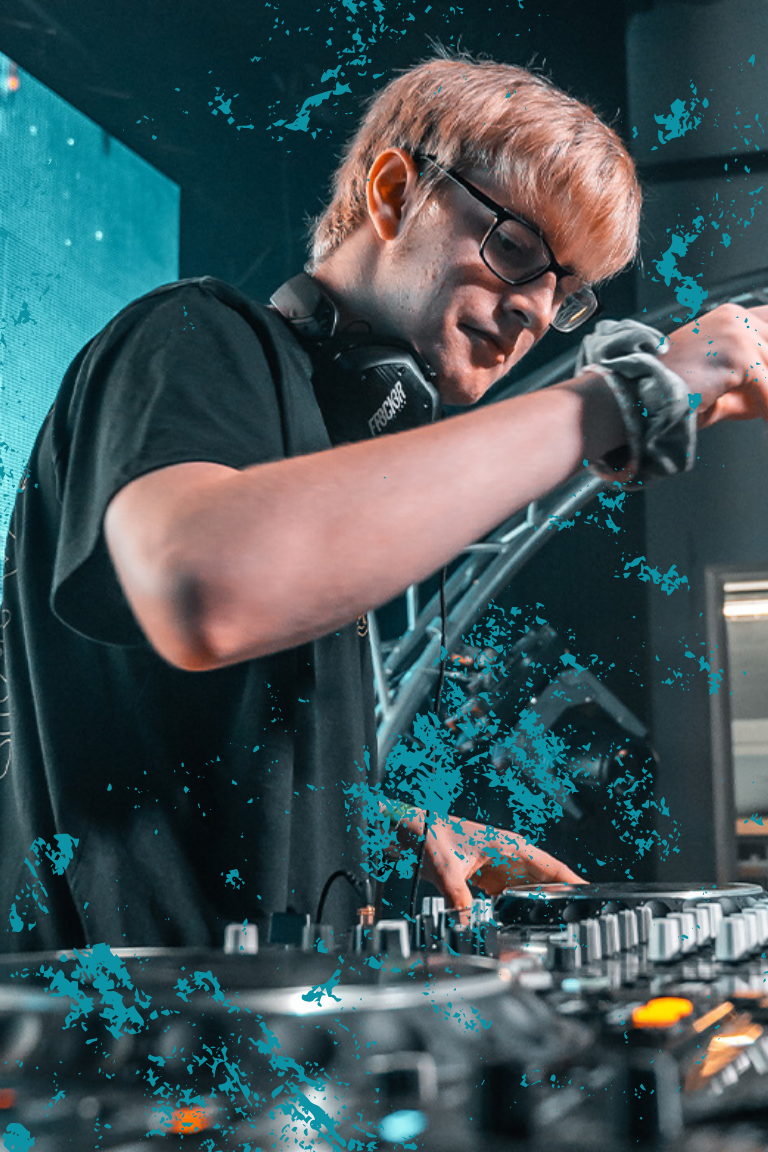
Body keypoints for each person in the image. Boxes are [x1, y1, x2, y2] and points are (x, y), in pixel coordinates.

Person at [2, 53, 767, 953]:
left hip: (258, 1021)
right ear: (395, 191)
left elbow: (172, 753)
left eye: (562, 288)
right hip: (122, 1031)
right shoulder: (192, 335)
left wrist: (386, 826)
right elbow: (203, 587)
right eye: (515, 249)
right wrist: (623, 399)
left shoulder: (322, 462)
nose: (533, 309)